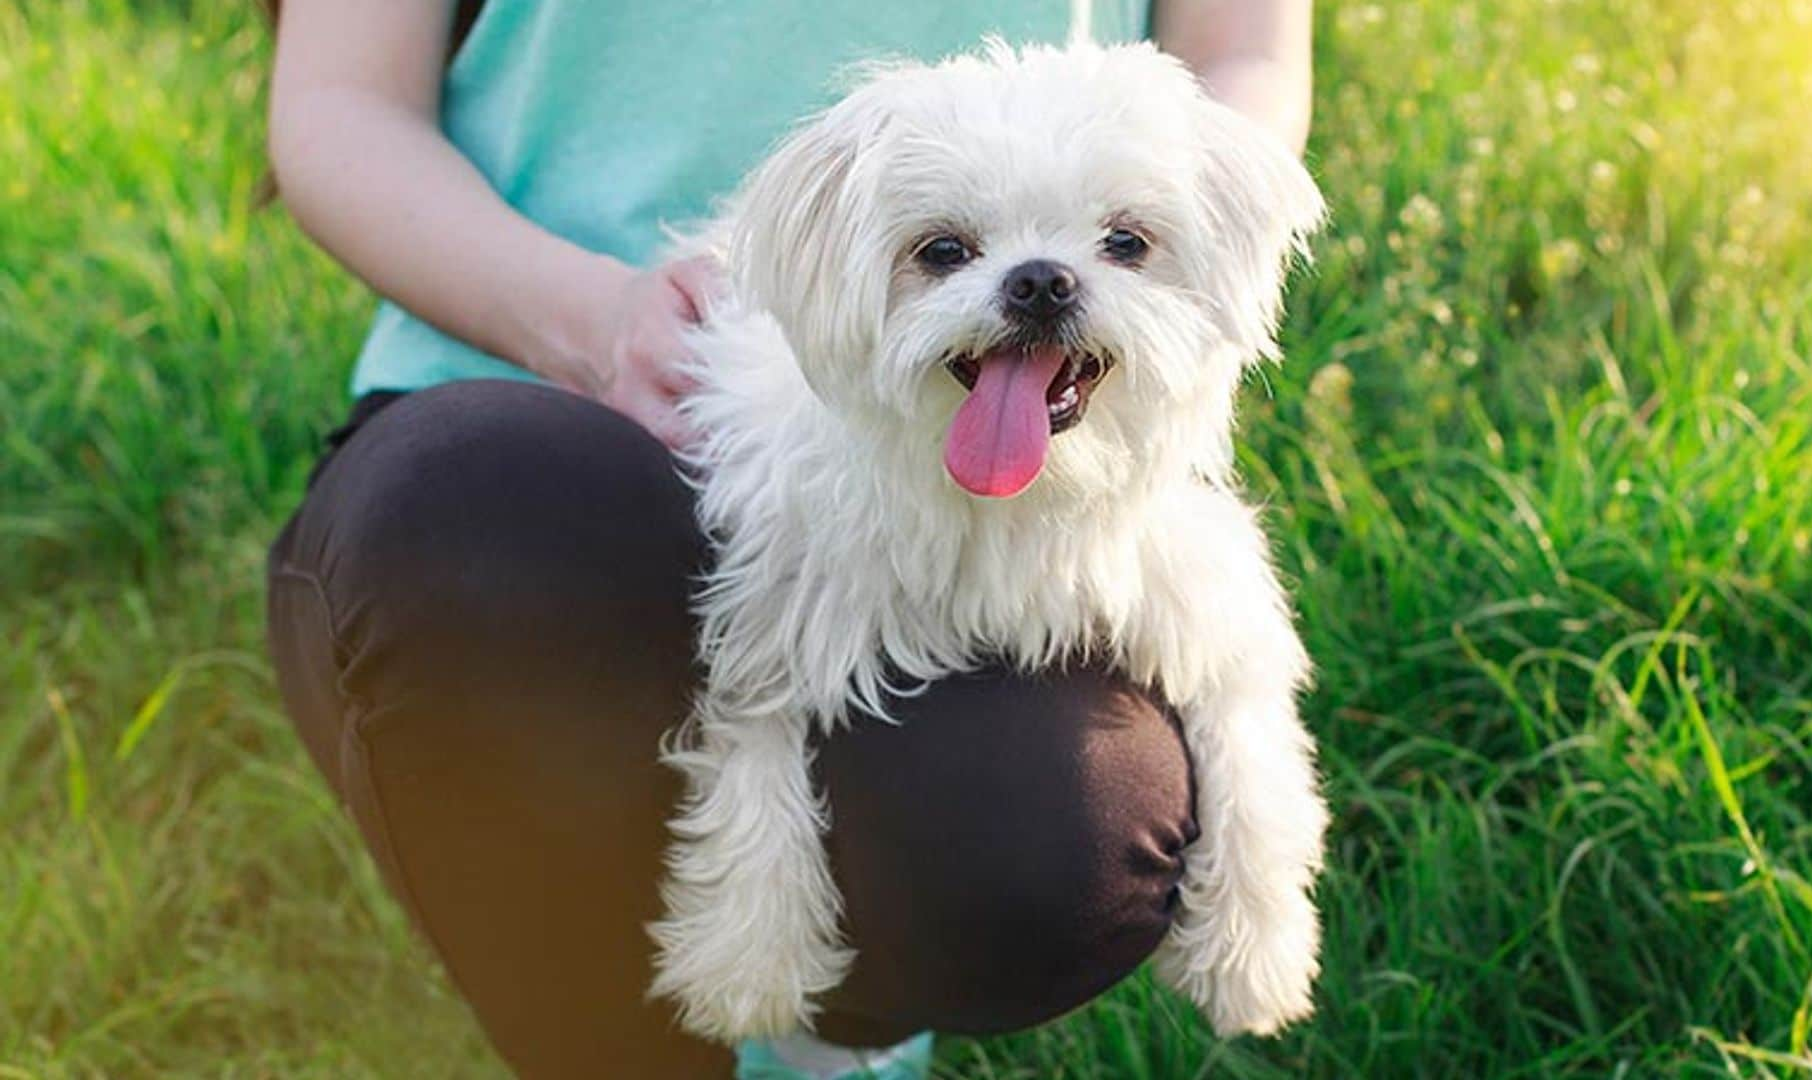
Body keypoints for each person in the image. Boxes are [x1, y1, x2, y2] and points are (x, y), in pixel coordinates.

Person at [262, 1, 1314, 1076]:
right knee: (483, 533)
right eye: (949, 249)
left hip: (1006, 453)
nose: (1040, 280)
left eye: (1121, 243)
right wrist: (593, 319)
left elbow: (1245, 52)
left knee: (1060, 834)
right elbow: (341, 103)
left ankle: (840, 1038)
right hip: (521, 391)